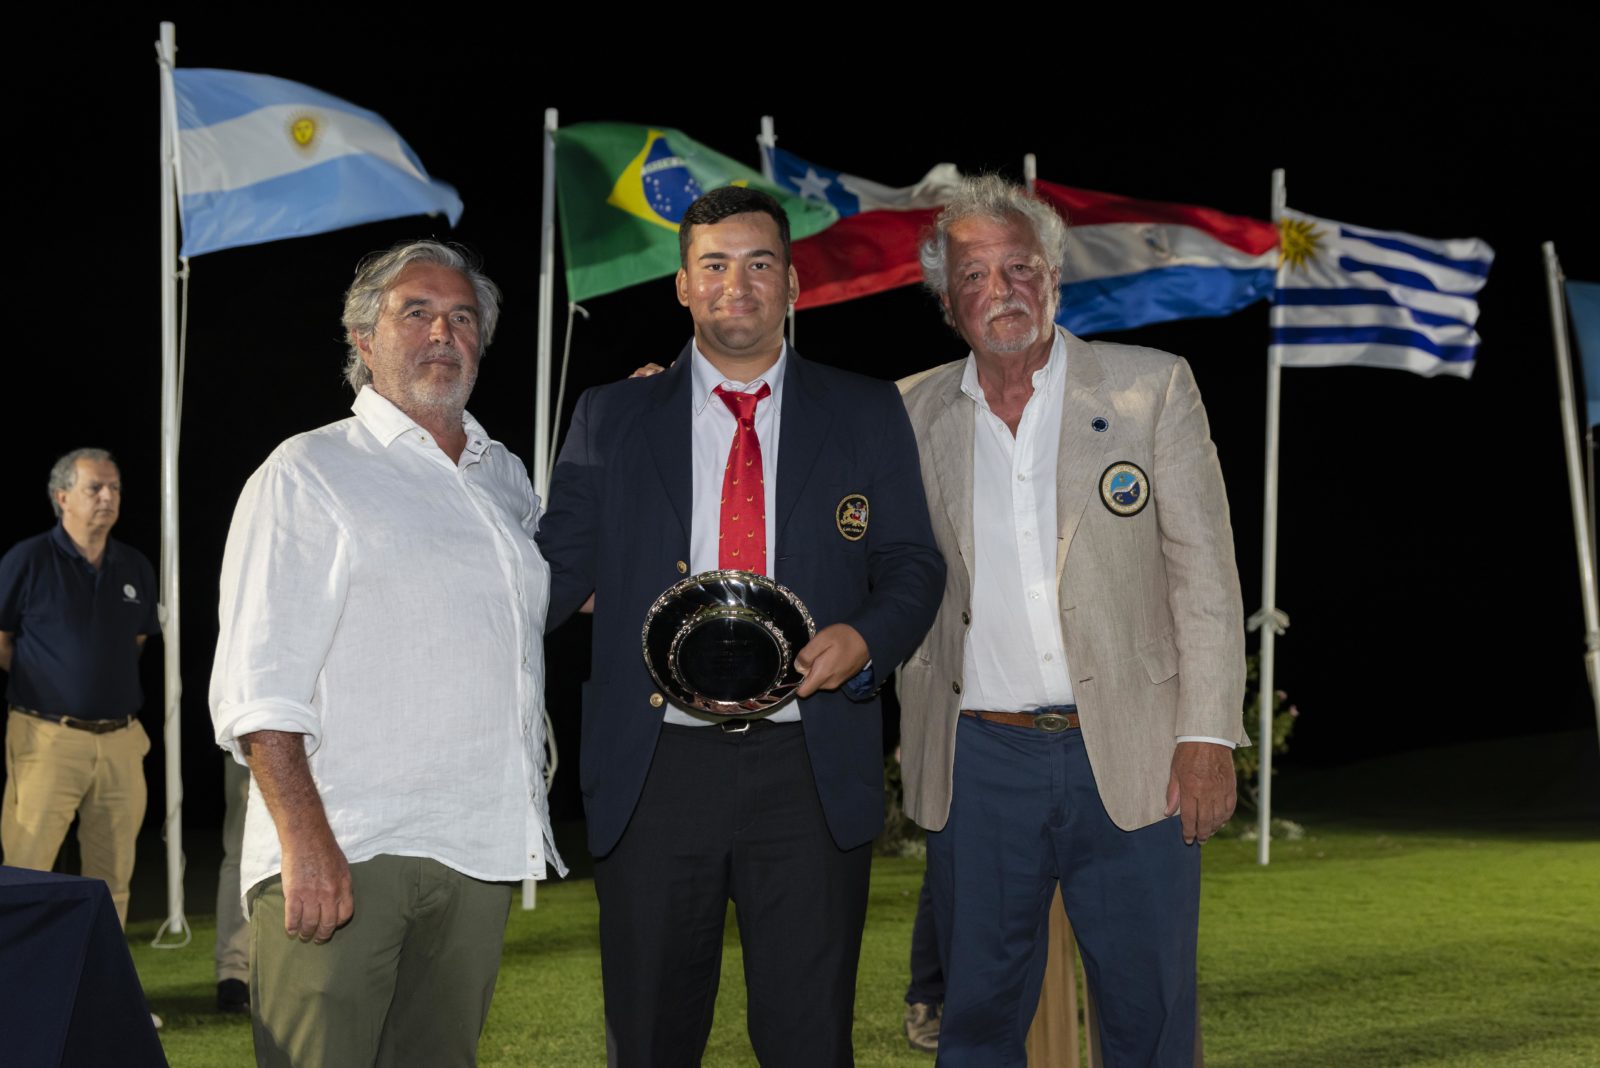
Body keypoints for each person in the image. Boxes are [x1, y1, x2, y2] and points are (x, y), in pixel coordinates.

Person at [537, 185, 944, 1067]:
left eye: (760, 264)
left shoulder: (866, 408)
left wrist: (866, 640)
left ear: (791, 284)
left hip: (808, 764)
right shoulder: (612, 414)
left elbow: (914, 564)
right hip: (656, 769)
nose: (738, 284)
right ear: (683, 285)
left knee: (808, 1042)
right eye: (715, 265)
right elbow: (552, 572)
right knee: (649, 1040)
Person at [897, 176, 1247, 1067]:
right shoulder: (905, 412)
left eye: (1020, 267)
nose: (1001, 289)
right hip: (978, 762)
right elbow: (833, 523)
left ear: (1054, 276)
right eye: (974, 275)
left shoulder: (1151, 387)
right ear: (947, 301)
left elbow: (1206, 577)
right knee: (977, 1023)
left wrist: (1208, 735)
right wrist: (663, 406)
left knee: (1151, 1021)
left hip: (1138, 754)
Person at [209, 240, 563, 1068]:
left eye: (462, 317)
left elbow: (563, 589)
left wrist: (639, 427)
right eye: (417, 313)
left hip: (478, 849)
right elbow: (258, 687)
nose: (443, 332)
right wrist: (307, 843)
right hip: (347, 846)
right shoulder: (310, 469)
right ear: (363, 340)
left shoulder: (504, 478)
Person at [1, 448, 159, 928]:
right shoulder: (27, 560)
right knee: (26, 873)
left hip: (121, 743)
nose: (108, 497)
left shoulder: (134, 566)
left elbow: (134, 642)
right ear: (62, 496)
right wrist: (53, 682)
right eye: (95, 488)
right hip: (48, 740)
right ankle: (18, 977)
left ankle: (99, 978)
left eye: (115, 488)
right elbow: (3, 641)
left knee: (112, 881)